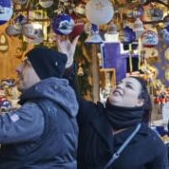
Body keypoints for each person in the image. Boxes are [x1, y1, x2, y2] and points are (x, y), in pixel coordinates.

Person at [56, 35, 168, 169]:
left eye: (129, 86)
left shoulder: (151, 142)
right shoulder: (92, 115)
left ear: (140, 102)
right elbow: (69, 97)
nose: (119, 86)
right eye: (120, 83)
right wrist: (67, 63)